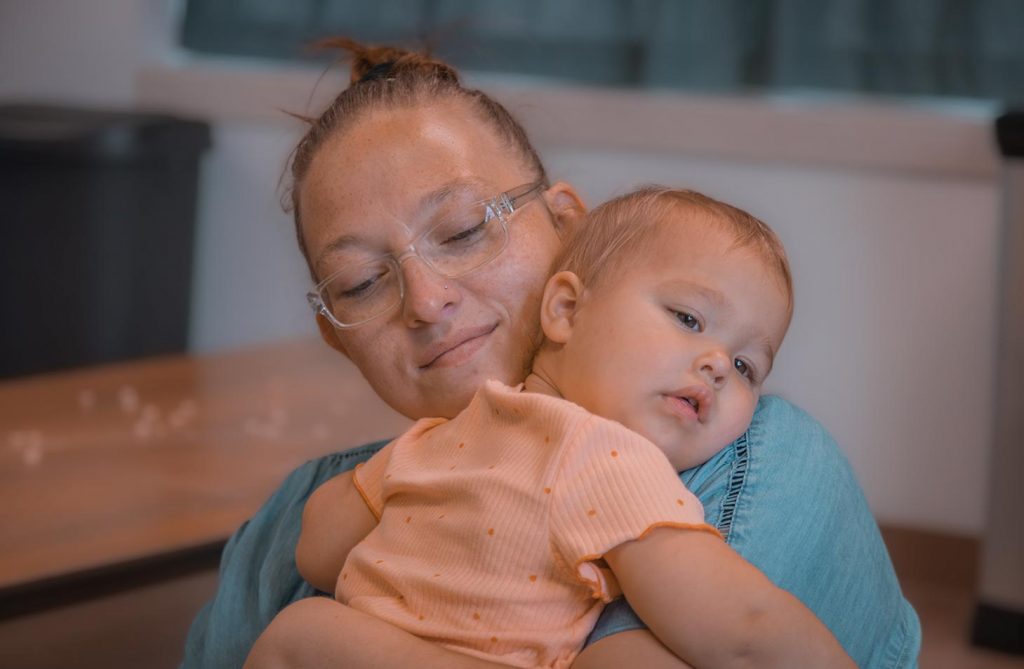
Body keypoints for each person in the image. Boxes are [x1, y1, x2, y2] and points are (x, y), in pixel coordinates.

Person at [180, 39, 921, 669]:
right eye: (362, 281)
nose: (426, 299)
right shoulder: (320, 501)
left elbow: (750, 629)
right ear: (337, 335)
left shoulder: (740, 456)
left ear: (566, 226)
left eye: (465, 229)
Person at [244, 186, 856, 669]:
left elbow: (318, 552)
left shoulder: (454, 436)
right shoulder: (605, 456)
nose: (720, 364)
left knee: (303, 633)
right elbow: (743, 630)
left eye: (748, 367)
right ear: (565, 310)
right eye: (689, 318)